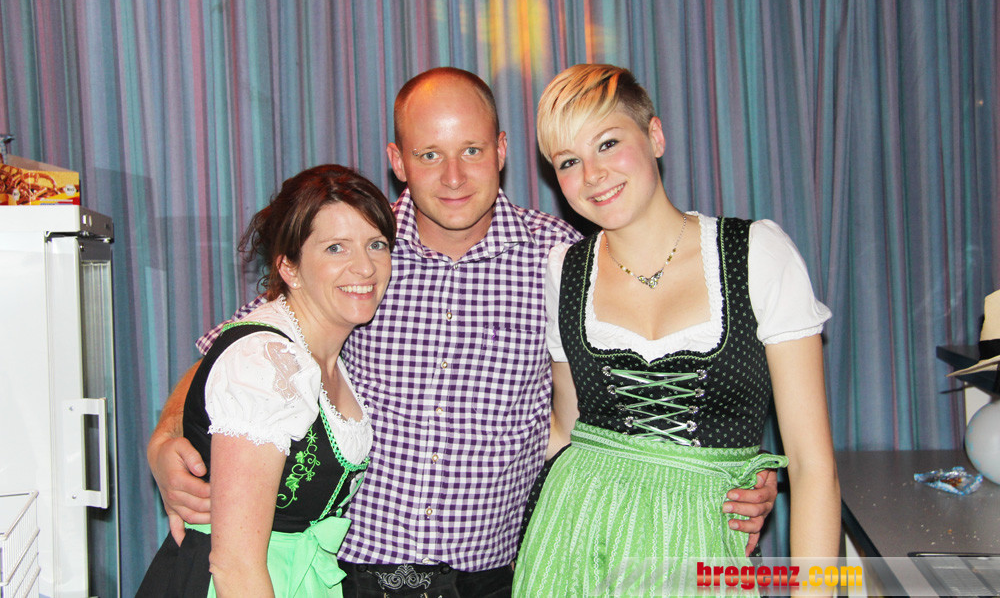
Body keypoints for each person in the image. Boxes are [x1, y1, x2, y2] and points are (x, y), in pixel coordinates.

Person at [147, 67, 779, 598]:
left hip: (494, 577)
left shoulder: (563, 261)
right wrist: (167, 435)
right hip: (349, 574)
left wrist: (730, 474)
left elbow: (629, 397)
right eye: (430, 155)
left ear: (501, 150)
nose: (453, 177)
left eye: (471, 151)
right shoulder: (357, 254)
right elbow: (242, 351)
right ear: (398, 161)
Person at [513, 64, 841, 596]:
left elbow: (812, 466)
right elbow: (567, 430)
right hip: (573, 544)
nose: (592, 174)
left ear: (655, 136)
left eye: (608, 143)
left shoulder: (757, 254)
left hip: (702, 549)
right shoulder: (563, 271)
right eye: (568, 160)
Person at [137, 165, 395, 596]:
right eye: (336, 248)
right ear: (289, 267)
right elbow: (235, 565)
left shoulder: (316, 350)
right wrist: (163, 437)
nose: (364, 267)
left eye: (376, 244)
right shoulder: (265, 361)